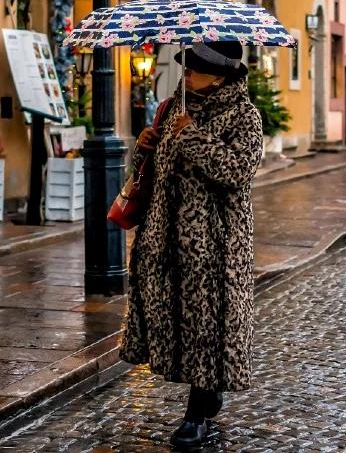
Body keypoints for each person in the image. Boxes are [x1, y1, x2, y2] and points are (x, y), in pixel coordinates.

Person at [119, 41, 263, 449]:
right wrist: (145, 145)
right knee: (177, 322)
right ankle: (207, 388)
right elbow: (154, 171)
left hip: (215, 245)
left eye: (195, 71)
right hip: (166, 239)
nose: (187, 77)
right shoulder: (171, 109)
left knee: (207, 324)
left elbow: (238, 170)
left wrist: (194, 138)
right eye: (186, 70)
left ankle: (196, 413)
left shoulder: (244, 116)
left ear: (218, 76)